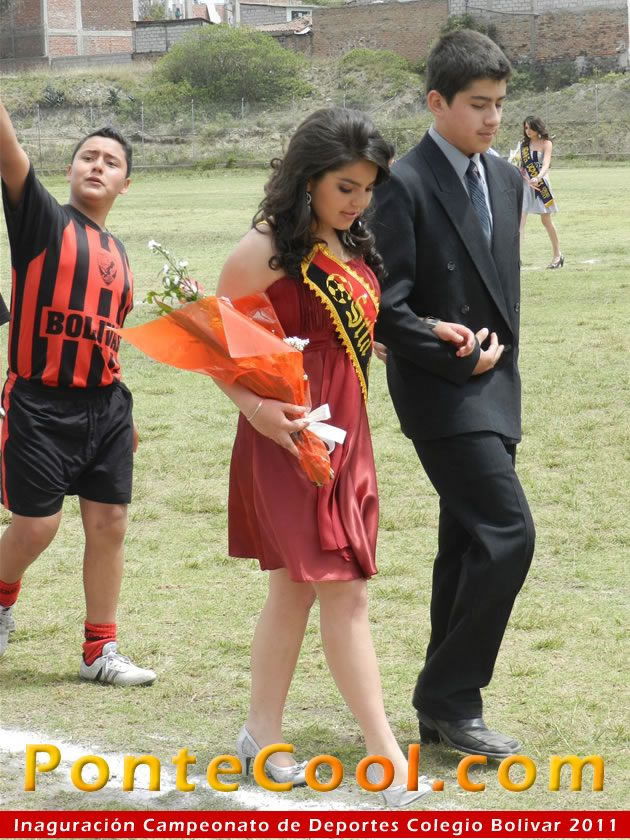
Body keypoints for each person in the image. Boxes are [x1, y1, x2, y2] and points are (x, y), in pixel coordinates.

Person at [216, 107, 475, 805]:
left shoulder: (346, 240)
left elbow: (349, 324)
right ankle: (385, 759)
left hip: (348, 429)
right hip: (293, 434)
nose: (360, 201)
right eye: (346, 187)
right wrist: (259, 412)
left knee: (296, 589)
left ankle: (260, 735)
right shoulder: (264, 248)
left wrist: (419, 330)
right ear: (308, 179)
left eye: (367, 188)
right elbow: (217, 344)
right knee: (343, 589)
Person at [372, 30, 536, 759]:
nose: (493, 118)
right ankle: (450, 695)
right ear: (436, 102)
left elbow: (502, 290)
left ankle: (441, 714)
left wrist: (496, 365)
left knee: (469, 544)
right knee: (509, 533)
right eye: (478, 104)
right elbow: (386, 307)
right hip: (440, 392)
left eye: (500, 103)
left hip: (498, 389)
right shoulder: (400, 183)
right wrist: (454, 354)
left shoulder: (506, 179)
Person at [0, 100, 156, 687]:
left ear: (125, 183)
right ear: (68, 170)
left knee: (110, 523)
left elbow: (106, 336)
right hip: (39, 403)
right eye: (87, 157)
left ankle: (99, 650)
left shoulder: (120, 255)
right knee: (37, 527)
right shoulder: (42, 220)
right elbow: (9, 154)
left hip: (106, 406)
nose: (97, 166)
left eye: (111, 162)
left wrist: (122, 410)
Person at [517, 116, 563, 268]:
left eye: (530, 127)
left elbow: (546, 164)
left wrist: (537, 177)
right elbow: (521, 166)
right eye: (526, 128)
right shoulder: (524, 145)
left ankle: (557, 256)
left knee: (546, 221)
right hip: (526, 185)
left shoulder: (547, 143)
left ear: (538, 128)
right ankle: (516, 258)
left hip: (541, 184)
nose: (528, 131)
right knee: (521, 221)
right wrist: (525, 177)